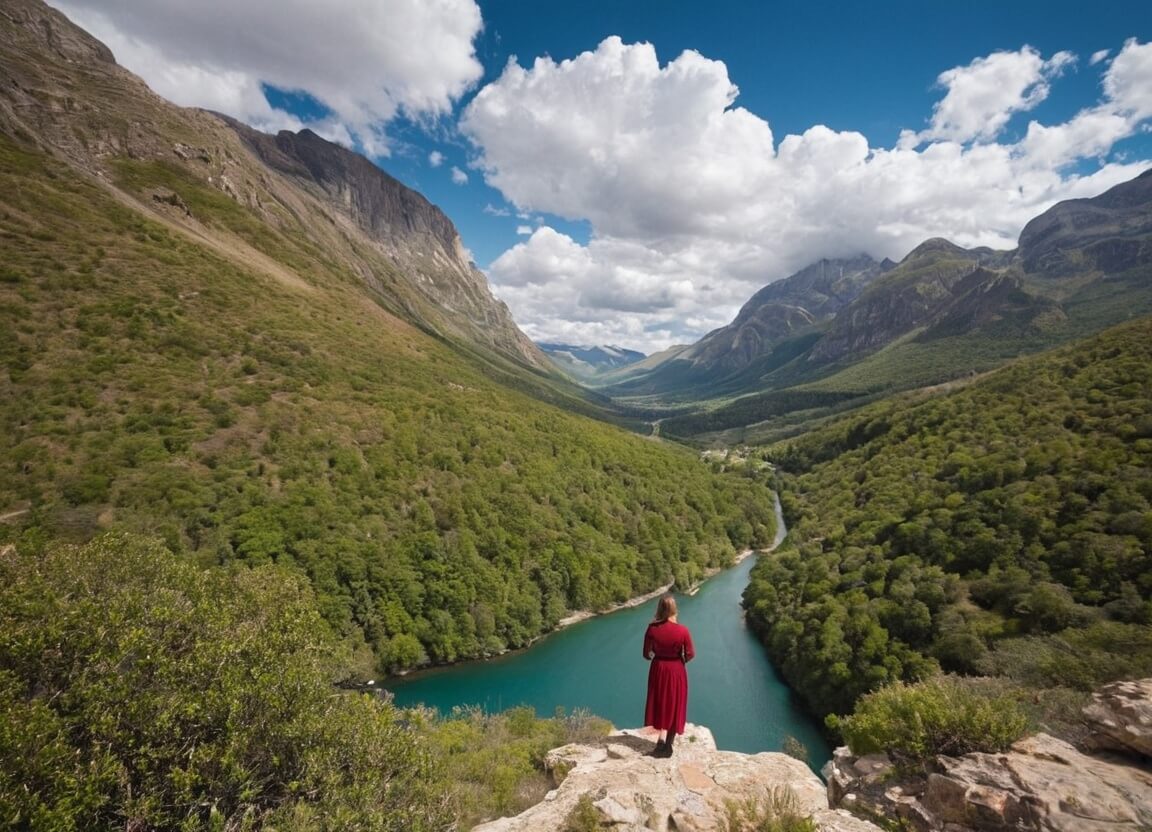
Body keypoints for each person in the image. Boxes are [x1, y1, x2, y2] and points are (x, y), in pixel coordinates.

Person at [642, 594, 695, 758]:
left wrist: (657, 655)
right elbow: (691, 654)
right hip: (676, 670)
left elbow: (646, 653)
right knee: (674, 704)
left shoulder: (652, 628)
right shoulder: (683, 630)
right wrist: (680, 660)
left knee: (660, 703)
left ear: (659, 609)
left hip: (658, 668)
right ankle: (667, 746)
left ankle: (660, 742)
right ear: (674, 610)